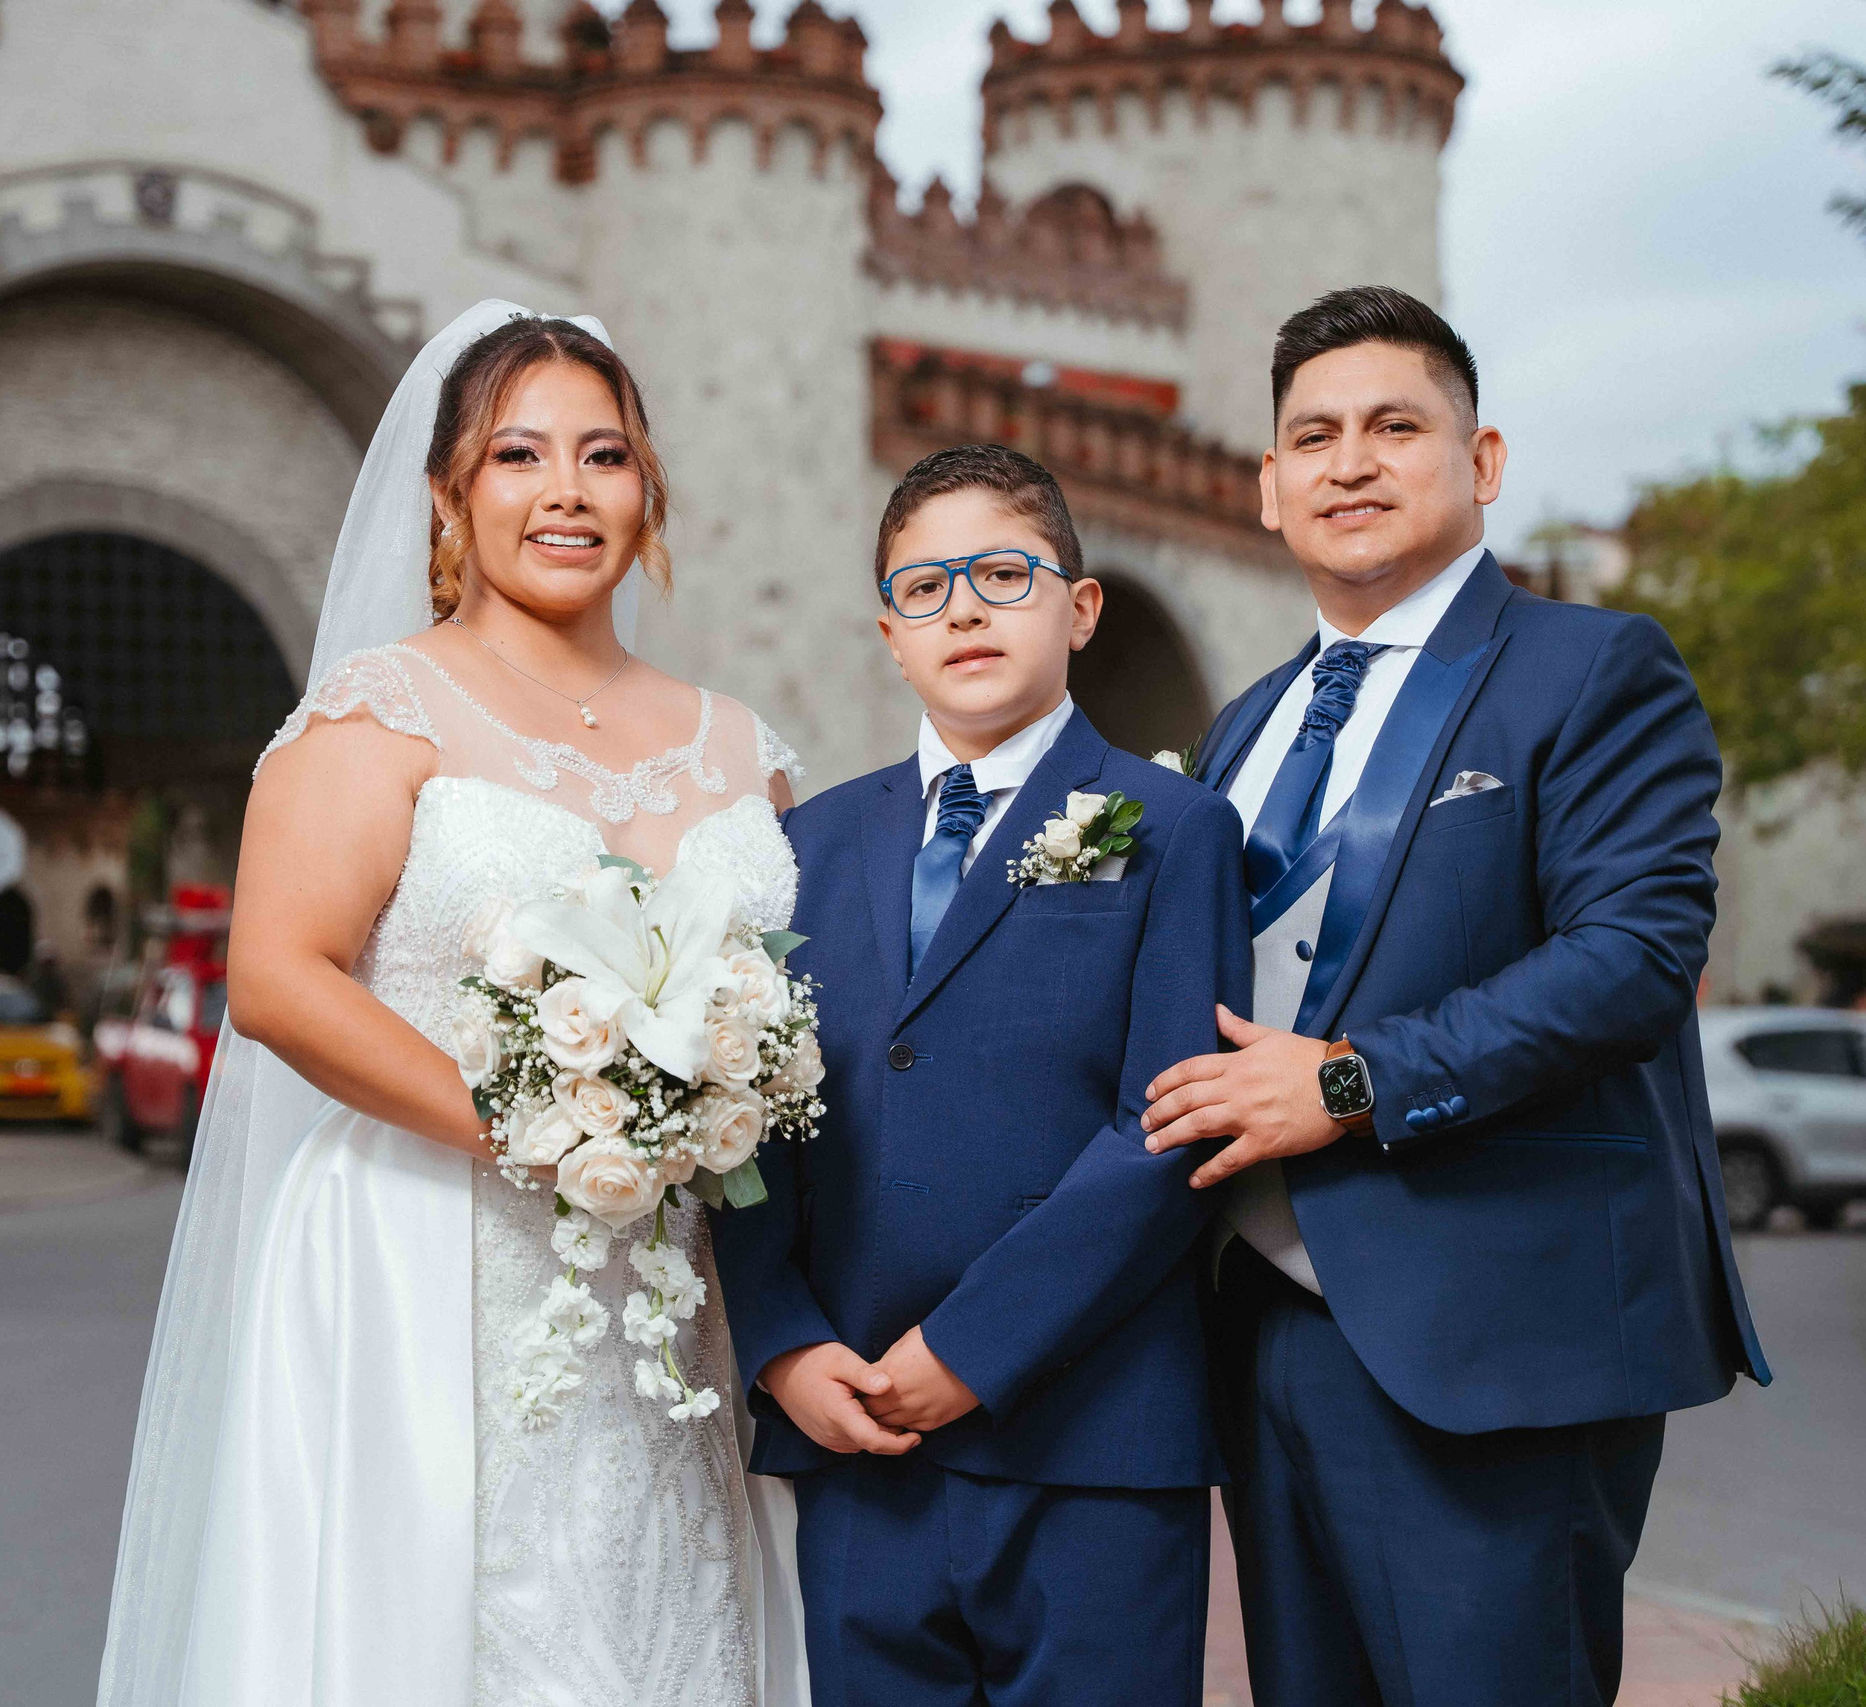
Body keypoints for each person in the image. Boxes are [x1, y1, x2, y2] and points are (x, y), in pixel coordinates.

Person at [97, 304, 809, 1707]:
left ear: (646, 488)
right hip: (425, 1261)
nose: (566, 491)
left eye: (603, 456)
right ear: (447, 495)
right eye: (517, 456)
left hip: (670, 1289)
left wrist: (704, 1111)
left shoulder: (740, 745)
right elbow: (279, 978)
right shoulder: (380, 712)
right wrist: (534, 1124)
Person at [1141, 287, 1768, 1706]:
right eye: (1313, 436)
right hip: (1260, 1329)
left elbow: (1632, 958)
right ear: (1268, 485)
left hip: (1491, 1334)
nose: (1349, 463)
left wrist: (1346, 1079)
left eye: (1393, 426)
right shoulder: (1244, 721)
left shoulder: (1593, 669)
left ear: (1480, 460)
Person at [712, 445, 1250, 1707]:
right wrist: (785, 1344)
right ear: (888, 633)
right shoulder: (807, 843)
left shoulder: (1172, 830)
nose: (962, 607)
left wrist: (966, 1350)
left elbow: (1166, 1131)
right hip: (859, 1438)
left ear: (1080, 606)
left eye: (1002, 573)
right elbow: (740, 1113)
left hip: (1091, 1445)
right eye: (923, 586)